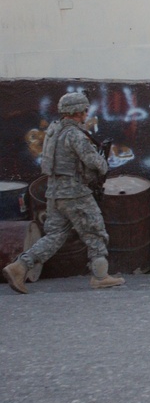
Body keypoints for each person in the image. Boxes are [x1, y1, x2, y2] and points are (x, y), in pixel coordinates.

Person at [2, 92, 125, 294]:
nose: (86, 113)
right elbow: (95, 163)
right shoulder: (75, 135)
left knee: (55, 235)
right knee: (95, 231)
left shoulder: (53, 130)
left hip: (54, 192)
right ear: (77, 112)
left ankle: (19, 267)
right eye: (84, 110)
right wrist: (103, 164)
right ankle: (101, 276)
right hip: (75, 193)